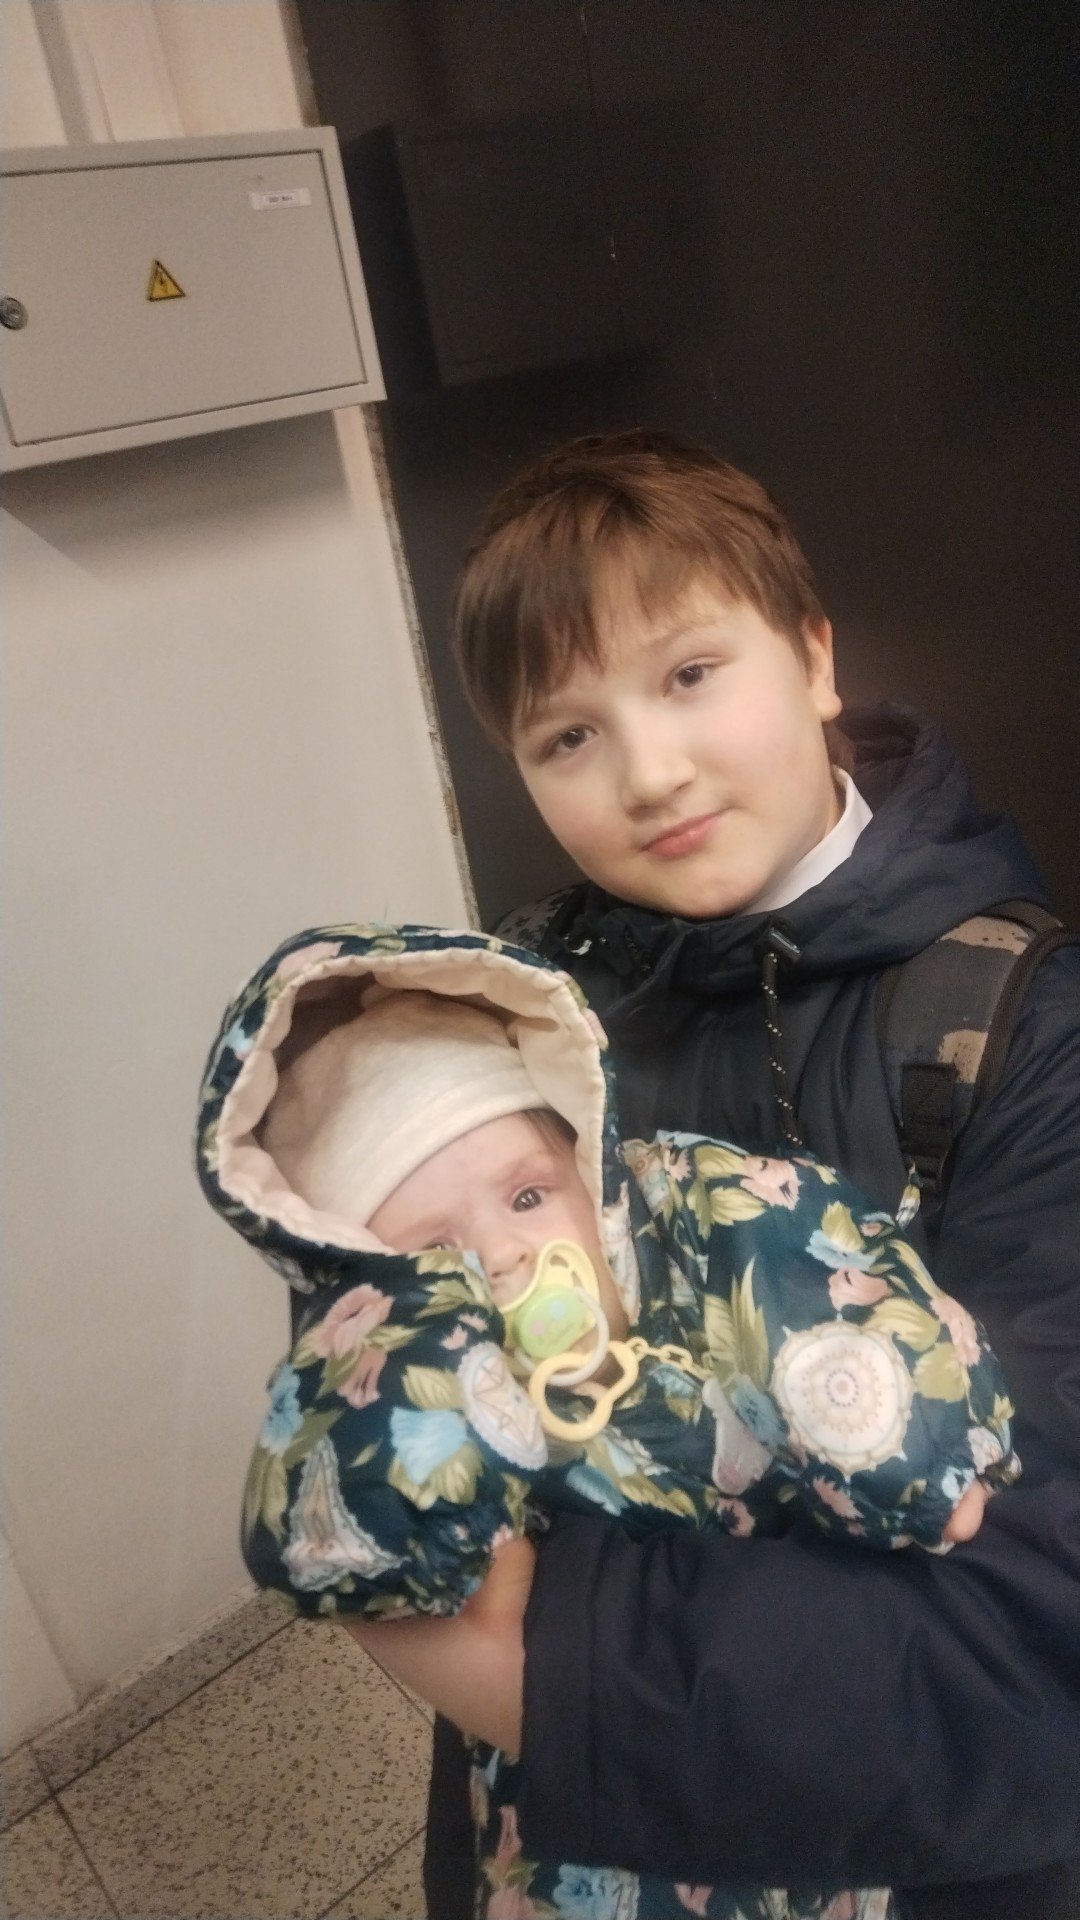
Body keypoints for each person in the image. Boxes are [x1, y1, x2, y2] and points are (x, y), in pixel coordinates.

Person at [383, 429, 1076, 1920]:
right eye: (567, 737)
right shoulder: (524, 1010)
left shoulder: (1023, 1038)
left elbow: (1038, 1617)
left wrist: (533, 1676)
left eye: (691, 673)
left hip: (893, 1829)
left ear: (815, 656)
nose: (652, 773)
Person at [196, 920, 1011, 1920]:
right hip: (591, 1819)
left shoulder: (694, 1247)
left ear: (590, 1171)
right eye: (439, 1254)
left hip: (800, 1730)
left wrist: (911, 1447)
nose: (508, 1256)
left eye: (527, 1196)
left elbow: (813, 1269)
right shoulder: (457, 1399)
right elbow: (340, 1491)